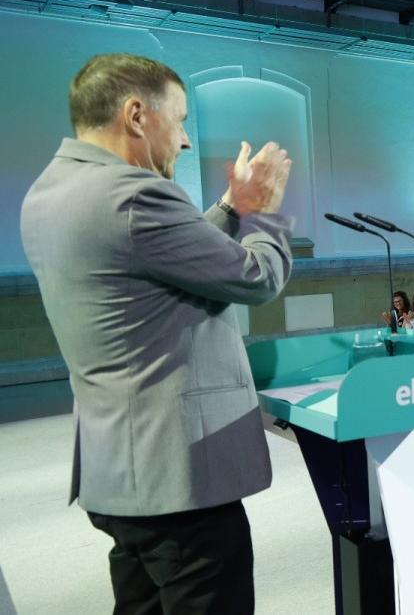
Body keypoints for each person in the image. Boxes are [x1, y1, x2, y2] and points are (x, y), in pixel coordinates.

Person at [20, 53, 293, 611]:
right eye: (182, 118)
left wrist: (228, 209)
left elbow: (152, 254)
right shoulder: (134, 194)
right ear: (138, 114)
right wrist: (262, 213)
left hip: (120, 474)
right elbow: (256, 276)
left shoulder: (49, 193)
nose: (186, 140)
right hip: (179, 482)